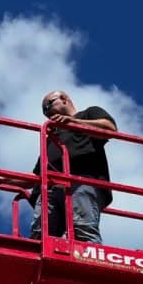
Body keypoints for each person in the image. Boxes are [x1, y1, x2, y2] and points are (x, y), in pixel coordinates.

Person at [28, 90, 117, 244]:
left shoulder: (88, 114)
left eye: (48, 105)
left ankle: (89, 265)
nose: (47, 113)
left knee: (82, 230)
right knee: (41, 235)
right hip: (50, 188)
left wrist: (74, 122)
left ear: (63, 99)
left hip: (82, 181)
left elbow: (109, 129)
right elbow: (35, 176)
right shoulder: (51, 138)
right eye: (45, 112)